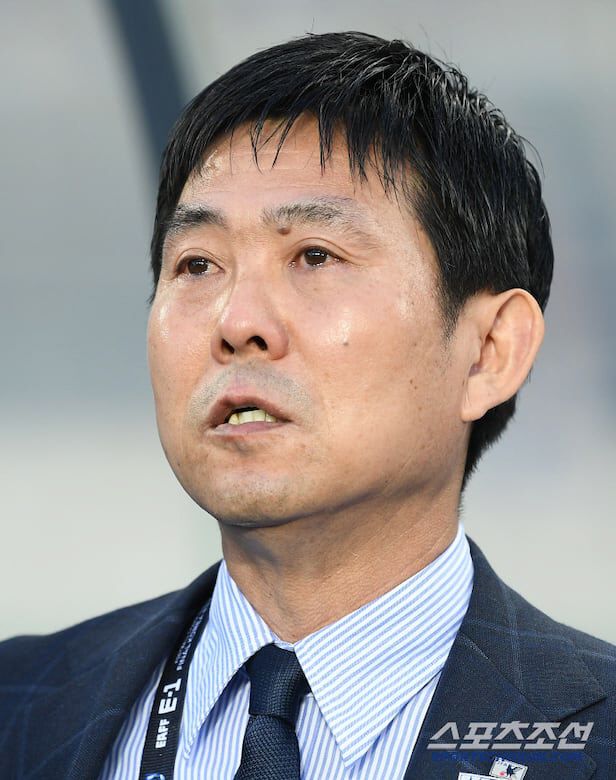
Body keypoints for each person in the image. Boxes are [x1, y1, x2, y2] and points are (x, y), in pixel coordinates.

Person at [1, 31, 614, 780]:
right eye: (197, 264)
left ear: (489, 350)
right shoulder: (19, 708)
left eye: (315, 256)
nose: (237, 322)